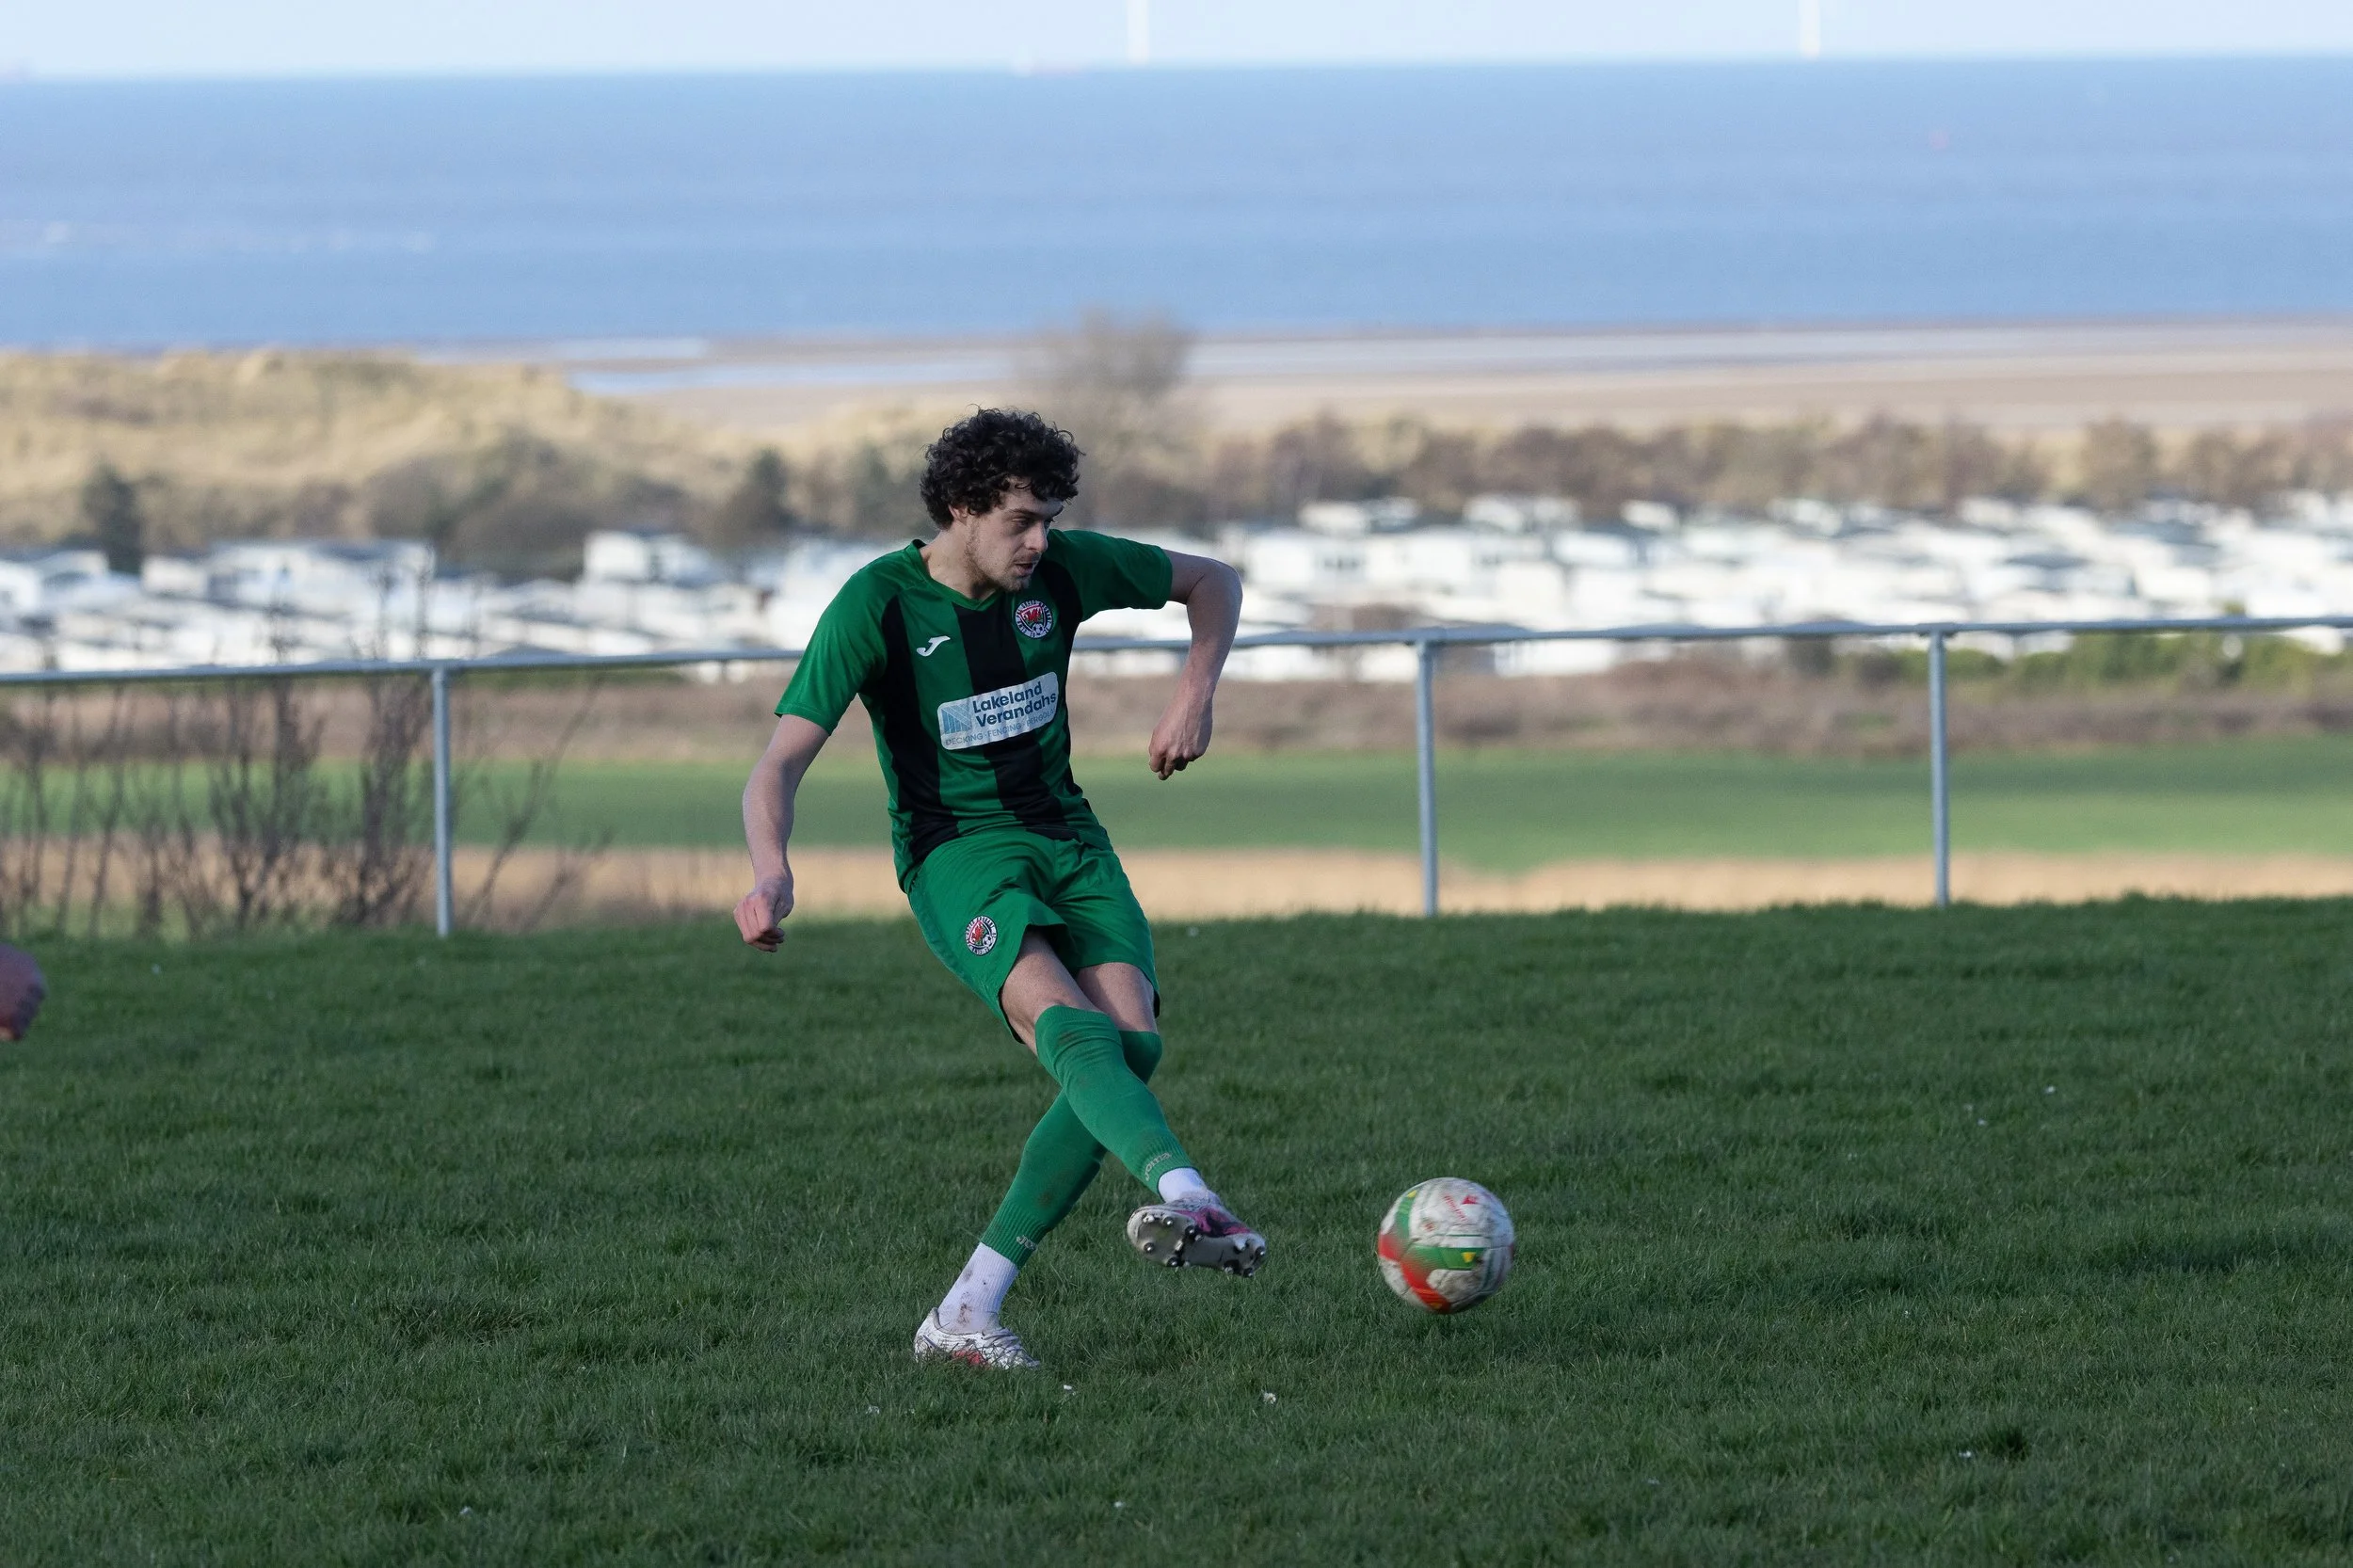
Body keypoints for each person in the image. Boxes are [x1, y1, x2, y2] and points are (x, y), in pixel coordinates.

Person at [734, 408, 1261, 1371]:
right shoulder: (876, 604)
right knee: (1075, 1031)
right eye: (1021, 519)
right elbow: (776, 765)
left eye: (1051, 517)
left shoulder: (1059, 570)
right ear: (961, 508)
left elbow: (1211, 581)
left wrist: (1196, 692)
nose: (1041, 540)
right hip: (959, 854)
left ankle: (966, 1310)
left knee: (1131, 1044)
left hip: (1068, 832)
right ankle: (1189, 1194)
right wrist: (771, 869)